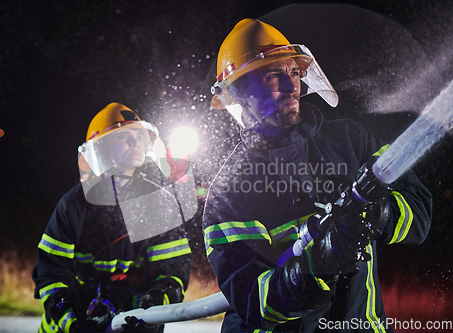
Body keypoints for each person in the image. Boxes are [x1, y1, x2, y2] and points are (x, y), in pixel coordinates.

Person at [202, 19, 432, 333]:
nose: (290, 86)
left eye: (294, 73)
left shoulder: (352, 140)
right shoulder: (229, 192)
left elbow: (419, 214)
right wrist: (314, 268)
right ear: (241, 92)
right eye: (274, 75)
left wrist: (381, 214)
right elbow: (255, 303)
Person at [33, 102, 192, 333]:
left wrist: (149, 310)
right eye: (123, 137)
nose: (135, 142)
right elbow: (51, 276)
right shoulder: (73, 205)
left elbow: (171, 274)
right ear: (101, 149)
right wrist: (75, 324)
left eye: (139, 136)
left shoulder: (160, 203)